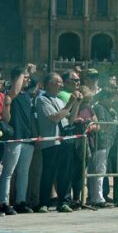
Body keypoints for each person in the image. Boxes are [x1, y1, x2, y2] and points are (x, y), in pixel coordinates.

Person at [35, 72, 83, 213]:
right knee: (48, 173)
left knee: (65, 174)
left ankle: (63, 201)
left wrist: (76, 104)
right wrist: (70, 103)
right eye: (59, 82)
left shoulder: (60, 101)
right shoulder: (42, 99)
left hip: (64, 142)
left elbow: (70, 120)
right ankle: (43, 203)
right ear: (50, 83)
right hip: (51, 142)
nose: (61, 85)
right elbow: (55, 118)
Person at [0, 65, 38, 215]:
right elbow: (15, 90)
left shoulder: (27, 95)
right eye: (25, 78)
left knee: (24, 172)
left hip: (27, 138)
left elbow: (34, 83)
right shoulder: (10, 93)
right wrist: (23, 71)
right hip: (14, 138)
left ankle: (21, 201)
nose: (27, 80)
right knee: (8, 172)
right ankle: (3, 202)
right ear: (18, 78)